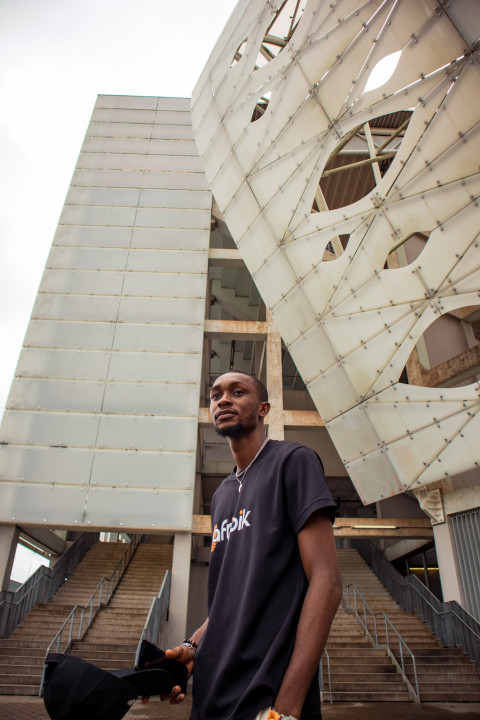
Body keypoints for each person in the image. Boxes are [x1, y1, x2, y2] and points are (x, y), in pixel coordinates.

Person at [149, 369, 342, 720]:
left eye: (237, 392)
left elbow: (326, 582)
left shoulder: (293, 461)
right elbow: (231, 596)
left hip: (268, 696)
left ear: (264, 408)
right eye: (215, 394)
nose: (223, 399)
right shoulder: (222, 495)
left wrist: (287, 708)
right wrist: (193, 647)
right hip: (210, 693)